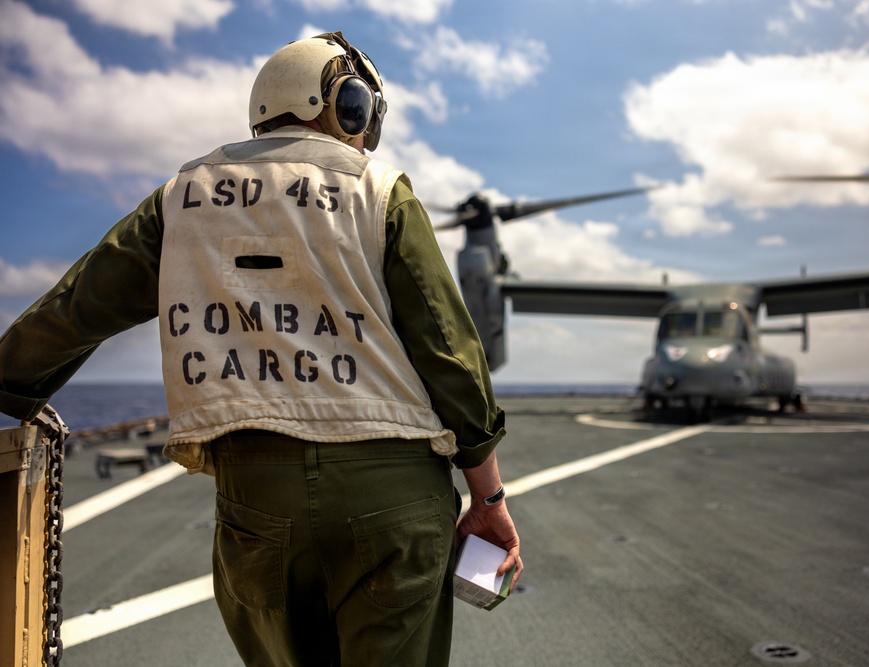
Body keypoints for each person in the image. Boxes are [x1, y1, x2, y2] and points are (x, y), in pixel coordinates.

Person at [0, 32, 522, 666]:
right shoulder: (378, 190)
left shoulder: (181, 196)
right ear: (347, 106)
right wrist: (488, 500)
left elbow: (78, 305)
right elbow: (451, 354)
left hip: (256, 503)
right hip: (392, 494)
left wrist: (9, 381)